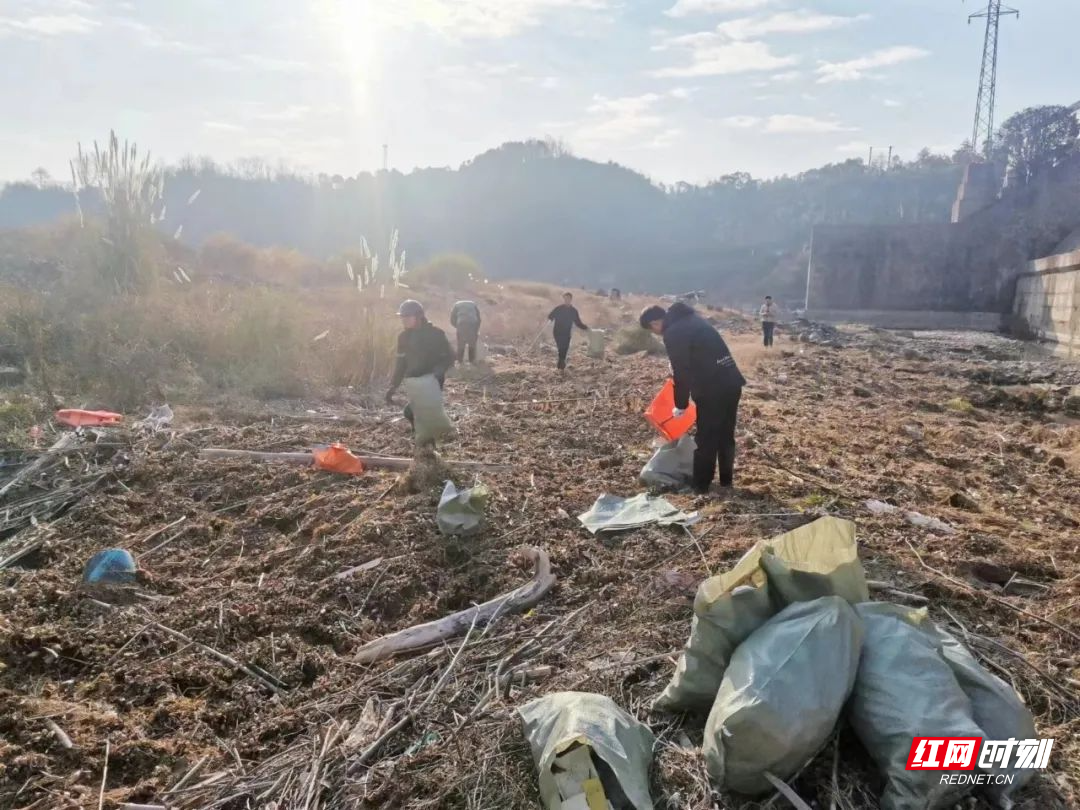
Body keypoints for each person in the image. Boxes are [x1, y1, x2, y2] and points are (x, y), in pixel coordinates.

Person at [640, 302, 746, 494]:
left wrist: (680, 404)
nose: (657, 333)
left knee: (706, 438)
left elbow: (682, 372)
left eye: (653, 329)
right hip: (731, 382)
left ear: (655, 322)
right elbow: (699, 355)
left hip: (712, 388)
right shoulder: (692, 319)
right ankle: (726, 481)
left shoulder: (673, 332)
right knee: (725, 435)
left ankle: (701, 486)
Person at [385, 300, 454, 441]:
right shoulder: (403, 337)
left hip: (432, 380)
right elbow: (401, 363)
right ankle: (425, 436)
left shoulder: (436, 334)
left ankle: (427, 440)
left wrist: (439, 369)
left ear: (419, 316)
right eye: (402, 317)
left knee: (411, 411)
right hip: (414, 382)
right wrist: (393, 385)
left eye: (407, 317)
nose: (403, 320)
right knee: (417, 412)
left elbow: (449, 357)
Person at [547, 292, 589, 371]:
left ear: (571, 299)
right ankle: (561, 364)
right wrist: (550, 319)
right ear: (564, 299)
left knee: (565, 348)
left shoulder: (573, 311)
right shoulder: (558, 308)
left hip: (566, 333)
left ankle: (561, 364)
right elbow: (550, 316)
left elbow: (578, 322)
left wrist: (586, 328)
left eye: (568, 299)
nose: (567, 300)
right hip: (557, 332)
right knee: (561, 348)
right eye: (565, 299)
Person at [450, 299, 482, 364]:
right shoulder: (473, 304)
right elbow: (479, 318)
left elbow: (452, 319)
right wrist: (476, 329)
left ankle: (459, 362)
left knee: (461, 344)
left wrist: (457, 327)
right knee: (472, 344)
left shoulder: (456, 305)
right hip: (473, 323)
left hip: (461, 323)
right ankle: (472, 362)